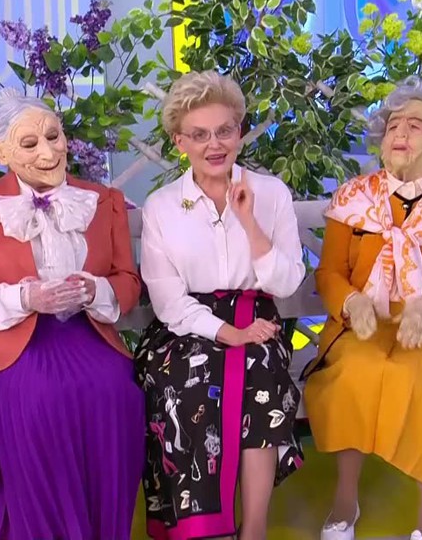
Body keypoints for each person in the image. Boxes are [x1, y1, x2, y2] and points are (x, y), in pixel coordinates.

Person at [0, 88, 144, 540]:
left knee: (116, 395)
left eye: (54, 136)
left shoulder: (103, 199)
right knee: (39, 401)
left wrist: (95, 289)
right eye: (29, 144)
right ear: (0, 151)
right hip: (9, 346)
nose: (48, 152)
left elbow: (128, 281)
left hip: (86, 336)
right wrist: (25, 298)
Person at [303, 78, 422, 540]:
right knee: (354, 373)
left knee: (417, 377)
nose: (400, 133)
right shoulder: (353, 198)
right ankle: (345, 500)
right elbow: (329, 274)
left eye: (415, 125)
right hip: (362, 326)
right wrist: (351, 302)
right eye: (393, 126)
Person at [136, 71, 306, 540]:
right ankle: (201, 530)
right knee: (186, 384)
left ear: (239, 131)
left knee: (261, 373)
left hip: (258, 317)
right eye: (200, 134)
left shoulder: (271, 193)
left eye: (225, 131)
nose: (215, 144)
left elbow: (287, 281)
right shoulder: (161, 205)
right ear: (180, 142)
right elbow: (167, 298)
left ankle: (254, 531)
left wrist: (248, 221)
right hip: (184, 326)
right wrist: (226, 332)